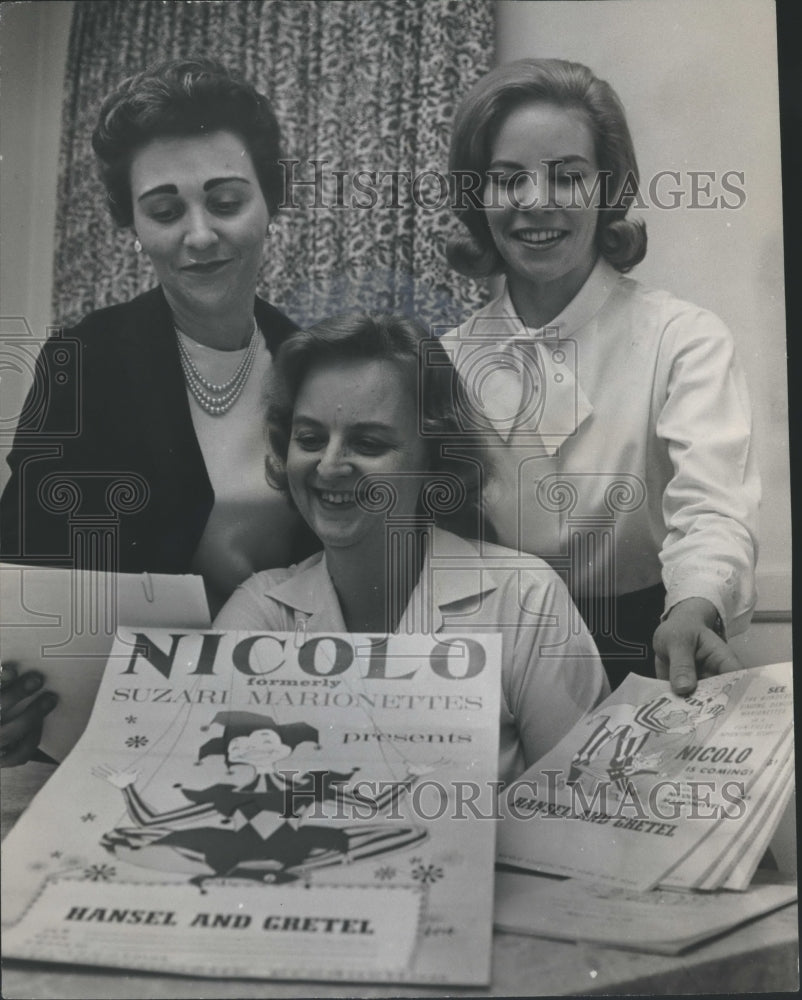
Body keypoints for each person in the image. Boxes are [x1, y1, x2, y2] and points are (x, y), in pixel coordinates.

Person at [0, 58, 314, 765]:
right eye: (166, 210)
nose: (199, 235)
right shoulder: (83, 362)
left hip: (284, 722)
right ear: (133, 225)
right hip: (119, 730)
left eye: (227, 201)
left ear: (270, 202)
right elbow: (26, 575)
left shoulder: (312, 361)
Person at [441, 58, 759, 696]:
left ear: (608, 187)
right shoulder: (446, 359)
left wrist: (694, 603)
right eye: (508, 180)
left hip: (652, 653)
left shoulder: (682, 338)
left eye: (568, 177)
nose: (537, 202)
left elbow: (712, 509)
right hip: (488, 670)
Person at [215, 313, 608, 784]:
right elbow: (216, 785)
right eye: (311, 439)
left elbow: (585, 805)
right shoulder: (262, 610)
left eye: (368, 442)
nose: (330, 465)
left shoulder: (526, 600)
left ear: (433, 459)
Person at [95, 710, 429, 889]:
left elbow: (374, 808)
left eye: (264, 740)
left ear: (285, 749)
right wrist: (126, 787)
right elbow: (152, 822)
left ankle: (282, 867)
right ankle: (251, 869)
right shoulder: (229, 795)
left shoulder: (306, 787)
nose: (252, 747)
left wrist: (412, 776)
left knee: (409, 832)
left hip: (293, 847)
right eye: (240, 745)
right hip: (234, 847)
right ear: (232, 754)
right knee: (122, 838)